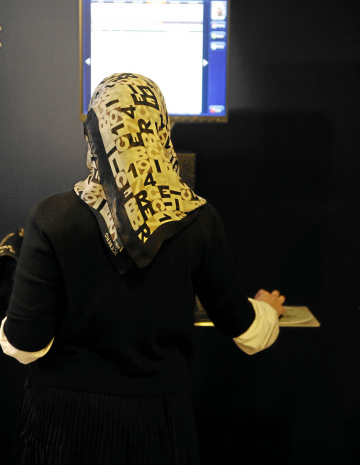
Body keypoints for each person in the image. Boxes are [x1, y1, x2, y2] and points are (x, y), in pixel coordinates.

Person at [0, 73, 285, 464]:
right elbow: (249, 334)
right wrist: (268, 309)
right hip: (160, 422)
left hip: (62, 422)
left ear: (94, 135)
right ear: (161, 131)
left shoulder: (53, 216)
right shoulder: (199, 219)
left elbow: (25, 346)